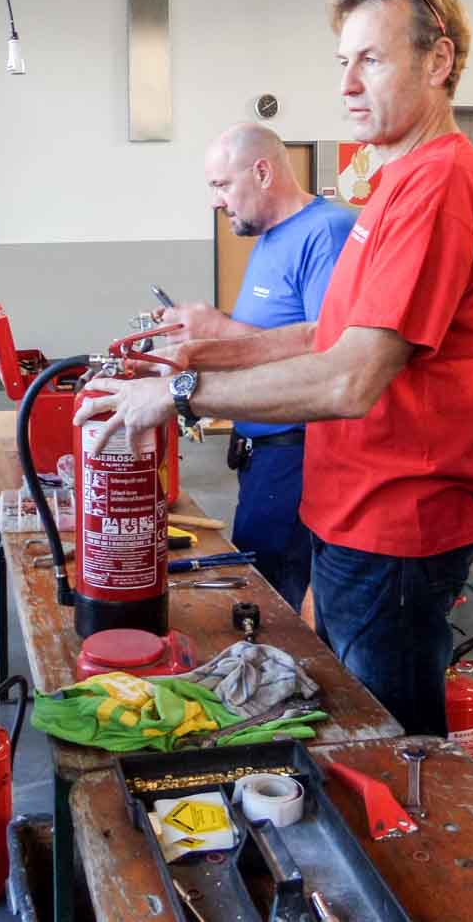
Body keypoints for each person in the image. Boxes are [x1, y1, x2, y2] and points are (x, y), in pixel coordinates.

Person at [76, 0, 473, 736]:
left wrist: (178, 397)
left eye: (373, 59)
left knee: (385, 738)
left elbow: (352, 378)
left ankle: (406, 852)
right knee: (354, 714)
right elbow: (337, 331)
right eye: (342, 63)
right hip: (358, 510)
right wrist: (217, 347)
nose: (348, 83)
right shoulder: (396, 183)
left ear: (440, 59)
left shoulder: (441, 186)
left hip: (399, 519)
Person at [155, 123, 354, 611]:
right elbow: (266, 341)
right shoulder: (270, 239)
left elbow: (328, 356)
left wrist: (219, 330)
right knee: (260, 579)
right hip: (262, 452)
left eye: (221, 185)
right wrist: (200, 339)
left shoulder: (327, 233)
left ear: (262, 171)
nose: (215, 201)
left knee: (272, 600)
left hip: (298, 453)